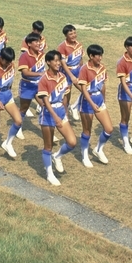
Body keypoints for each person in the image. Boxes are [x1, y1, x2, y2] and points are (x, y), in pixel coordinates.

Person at [36, 50, 78, 186]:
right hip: (48, 114)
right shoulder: (44, 79)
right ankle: (49, 174)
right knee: (48, 146)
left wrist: (64, 113)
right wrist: (55, 117)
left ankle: (57, 156)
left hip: (60, 110)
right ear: (48, 62)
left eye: (59, 60)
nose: (58, 63)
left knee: (72, 142)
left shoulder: (62, 77)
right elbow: (45, 102)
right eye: (55, 60)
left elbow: (65, 96)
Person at [75, 44, 113, 166]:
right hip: (87, 102)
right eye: (98, 56)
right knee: (87, 131)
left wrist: (103, 100)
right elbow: (83, 89)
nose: (100, 58)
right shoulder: (84, 69)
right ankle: (85, 155)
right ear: (91, 56)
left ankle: (98, 149)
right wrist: (92, 104)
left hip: (99, 100)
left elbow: (103, 85)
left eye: (101, 55)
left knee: (109, 129)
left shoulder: (102, 68)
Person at [16, 33, 46, 140]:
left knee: (45, 106)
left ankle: (46, 129)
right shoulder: (24, 56)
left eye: (39, 41)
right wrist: (40, 74)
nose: (39, 44)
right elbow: (25, 72)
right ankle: (18, 127)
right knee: (23, 109)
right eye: (36, 42)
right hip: (27, 86)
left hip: (39, 86)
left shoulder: (42, 54)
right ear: (29, 44)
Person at [58, 24, 83, 121]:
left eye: (74, 33)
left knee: (86, 90)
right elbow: (63, 64)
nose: (73, 35)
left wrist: (82, 70)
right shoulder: (62, 47)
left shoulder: (79, 44)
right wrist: (71, 76)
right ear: (66, 35)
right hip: (66, 72)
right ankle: (65, 117)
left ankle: (74, 106)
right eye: (71, 34)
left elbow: (80, 58)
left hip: (77, 70)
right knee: (66, 95)